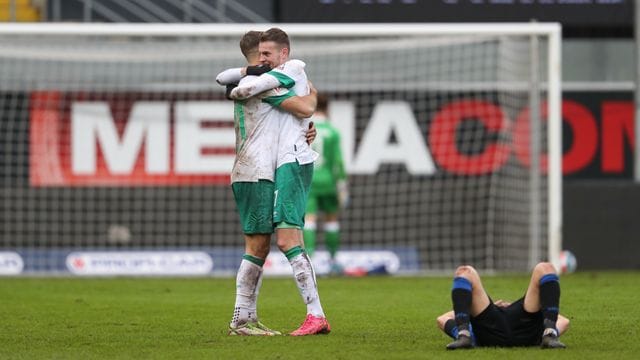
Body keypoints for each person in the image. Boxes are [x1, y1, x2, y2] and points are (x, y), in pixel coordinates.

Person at [228, 27, 331, 336]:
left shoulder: (265, 78)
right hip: (256, 170)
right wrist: (311, 96)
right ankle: (310, 315)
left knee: (259, 247)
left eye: (268, 53)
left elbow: (297, 117)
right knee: (271, 243)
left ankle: (243, 320)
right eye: (262, 53)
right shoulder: (257, 82)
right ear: (256, 56)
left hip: (260, 168)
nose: (266, 58)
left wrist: (305, 131)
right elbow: (305, 107)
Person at [436, 262, 569, 350]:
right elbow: (564, 321)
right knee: (464, 271)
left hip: (517, 325)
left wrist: (469, 309)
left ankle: (549, 335)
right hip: (492, 328)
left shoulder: (473, 331)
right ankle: (463, 337)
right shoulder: (474, 334)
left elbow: (442, 319)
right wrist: (542, 312)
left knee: (545, 268)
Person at [302, 94, 348, 275]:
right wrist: (342, 186)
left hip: (310, 180)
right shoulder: (333, 131)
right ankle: (334, 261)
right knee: (332, 221)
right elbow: (339, 162)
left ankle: (309, 263)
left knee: (309, 221)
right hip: (328, 181)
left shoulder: (305, 128)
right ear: (328, 109)